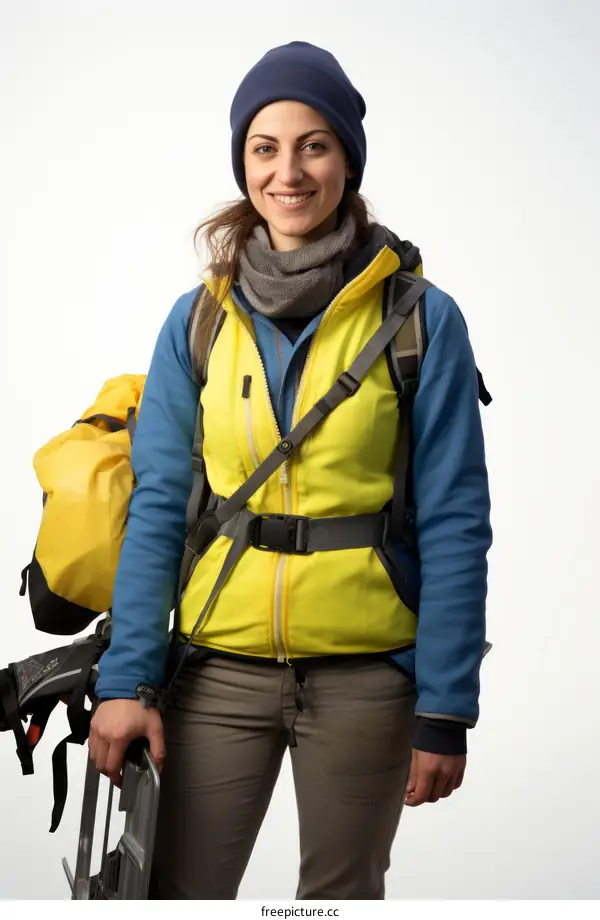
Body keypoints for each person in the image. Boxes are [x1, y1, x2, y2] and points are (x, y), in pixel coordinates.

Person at [89, 40, 493, 900]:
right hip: (215, 670)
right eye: (265, 148)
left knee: (336, 908)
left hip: (368, 678)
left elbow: (458, 517)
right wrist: (127, 680)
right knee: (171, 899)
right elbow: (159, 505)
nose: (289, 171)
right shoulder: (196, 320)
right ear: (243, 165)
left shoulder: (424, 321)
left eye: (314, 144)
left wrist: (447, 705)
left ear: (347, 157)